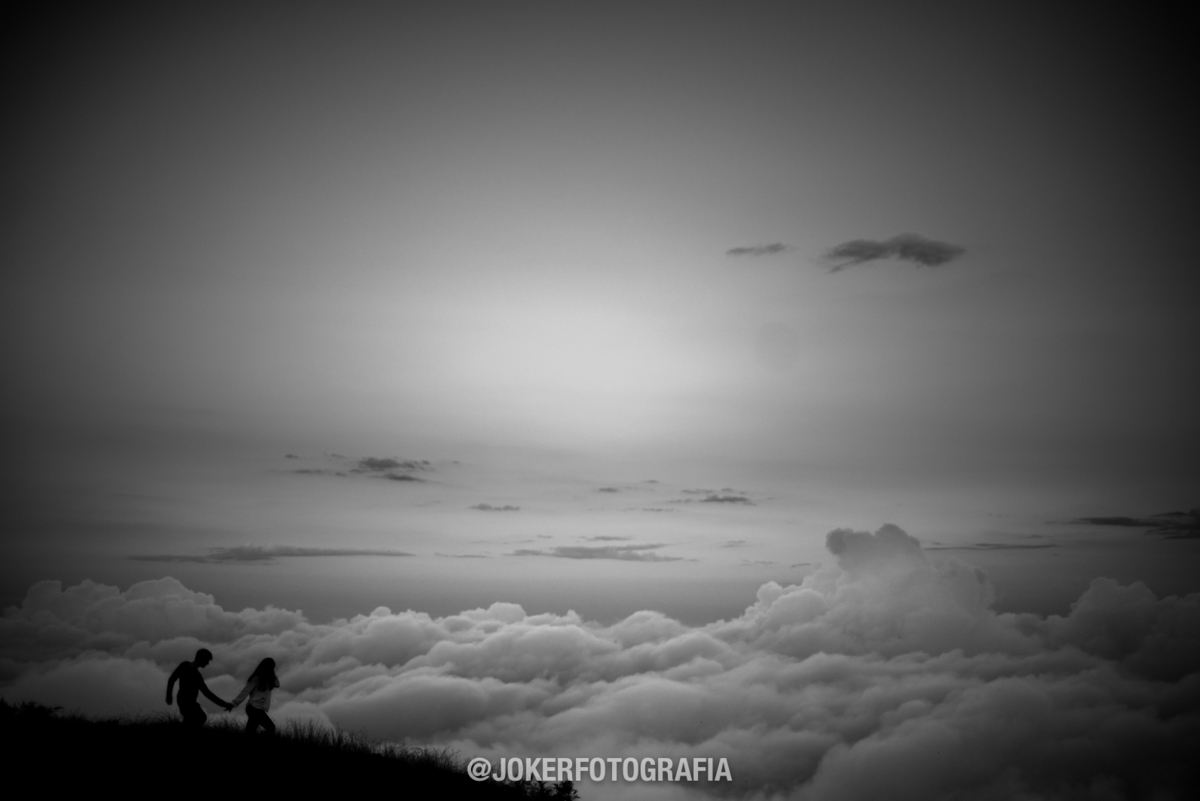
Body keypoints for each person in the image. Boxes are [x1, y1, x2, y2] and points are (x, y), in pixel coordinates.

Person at [166, 648, 232, 726]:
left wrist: (169, 696)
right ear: (202, 659)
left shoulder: (185, 665)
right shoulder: (196, 674)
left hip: (184, 700)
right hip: (187, 701)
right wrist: (224, 704)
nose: (208, 663)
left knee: (191, 719)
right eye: (207, 660)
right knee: (201, 718)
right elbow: (207, 693)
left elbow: (172, 679)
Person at [230, 657, 279, 735]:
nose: (271, 669)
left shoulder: (268, 680)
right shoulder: (255, 678)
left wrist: (272, 673)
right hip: (254, 708)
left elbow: (277, 684)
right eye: (270, 667)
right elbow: (245, 691)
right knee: (271, 727)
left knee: (250, 732)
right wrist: (234, 703)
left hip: (257, 709)